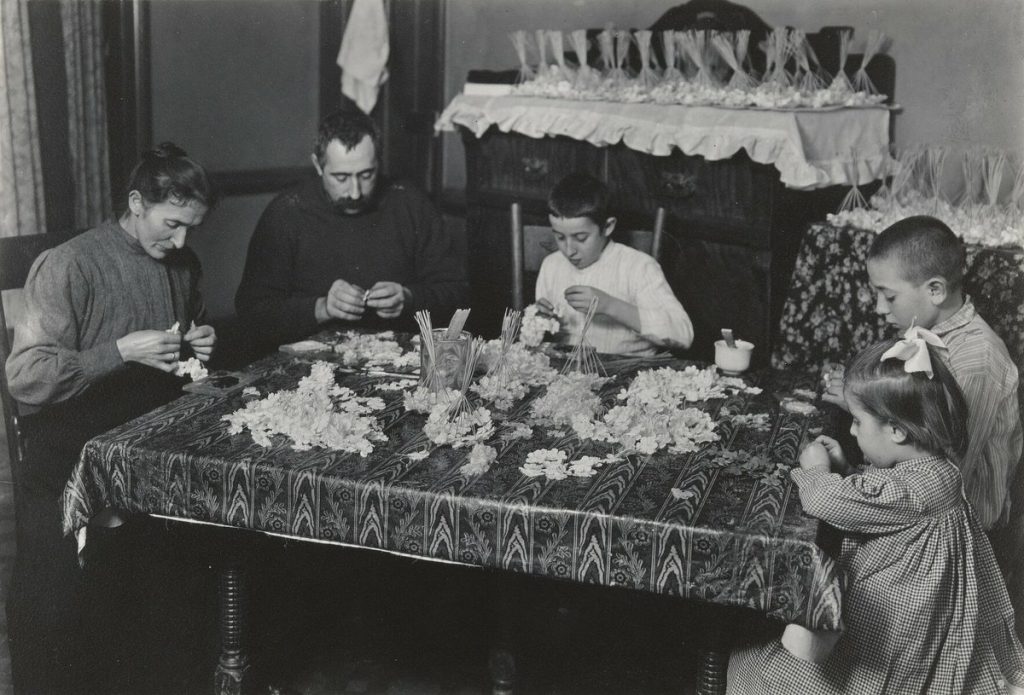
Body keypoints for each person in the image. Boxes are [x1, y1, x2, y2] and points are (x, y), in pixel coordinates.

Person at [5, 142, 217, 693]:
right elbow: (26, 377)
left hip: (145, 441)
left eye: (191, 228)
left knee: (179, 584)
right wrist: (118, 351)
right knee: (63, 620)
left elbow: (183, 356)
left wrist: (198, 344)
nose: (180, 242)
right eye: (171, 224)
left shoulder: (182, 263)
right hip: (68, 449)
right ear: (136, 203)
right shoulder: (69, 264)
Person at [729, 337, 1024, 695]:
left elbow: (826, 501)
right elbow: (883, 497)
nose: (851, 431)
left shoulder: (914, 491)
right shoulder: (938, 470)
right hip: (918, 609)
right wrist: (849, 470)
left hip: (895, 622)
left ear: (897, 431)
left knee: (756, 671)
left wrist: (819, 471)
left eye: (857, 421)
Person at [822, 215, 1022, 532]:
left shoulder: (976, 359)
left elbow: (948, 469)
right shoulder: (923, 333)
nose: (878, 309)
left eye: (889, 297)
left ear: (935, 290)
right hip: (918, 497)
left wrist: (866, 412)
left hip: (961, 530)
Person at [234, 107, 467, 352]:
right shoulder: (286, 213)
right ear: (317, 165)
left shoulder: (411, 203)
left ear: (379, 162)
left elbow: (457, 293)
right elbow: (253, 313)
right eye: (341, 177)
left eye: (366, 175)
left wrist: (409, 298)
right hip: (311, 368)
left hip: (399, 357)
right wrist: (321, 308)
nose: (355, 192)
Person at [534, 172, 693, 356]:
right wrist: (540, 321)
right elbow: (543, 340)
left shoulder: (639, 267)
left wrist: (610, 306)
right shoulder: (551, 265)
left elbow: (683, 334)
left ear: (608, 227)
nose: (569, 250)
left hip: (627, 374)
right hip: (565, 374)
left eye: (581, 238)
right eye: (560, 237)